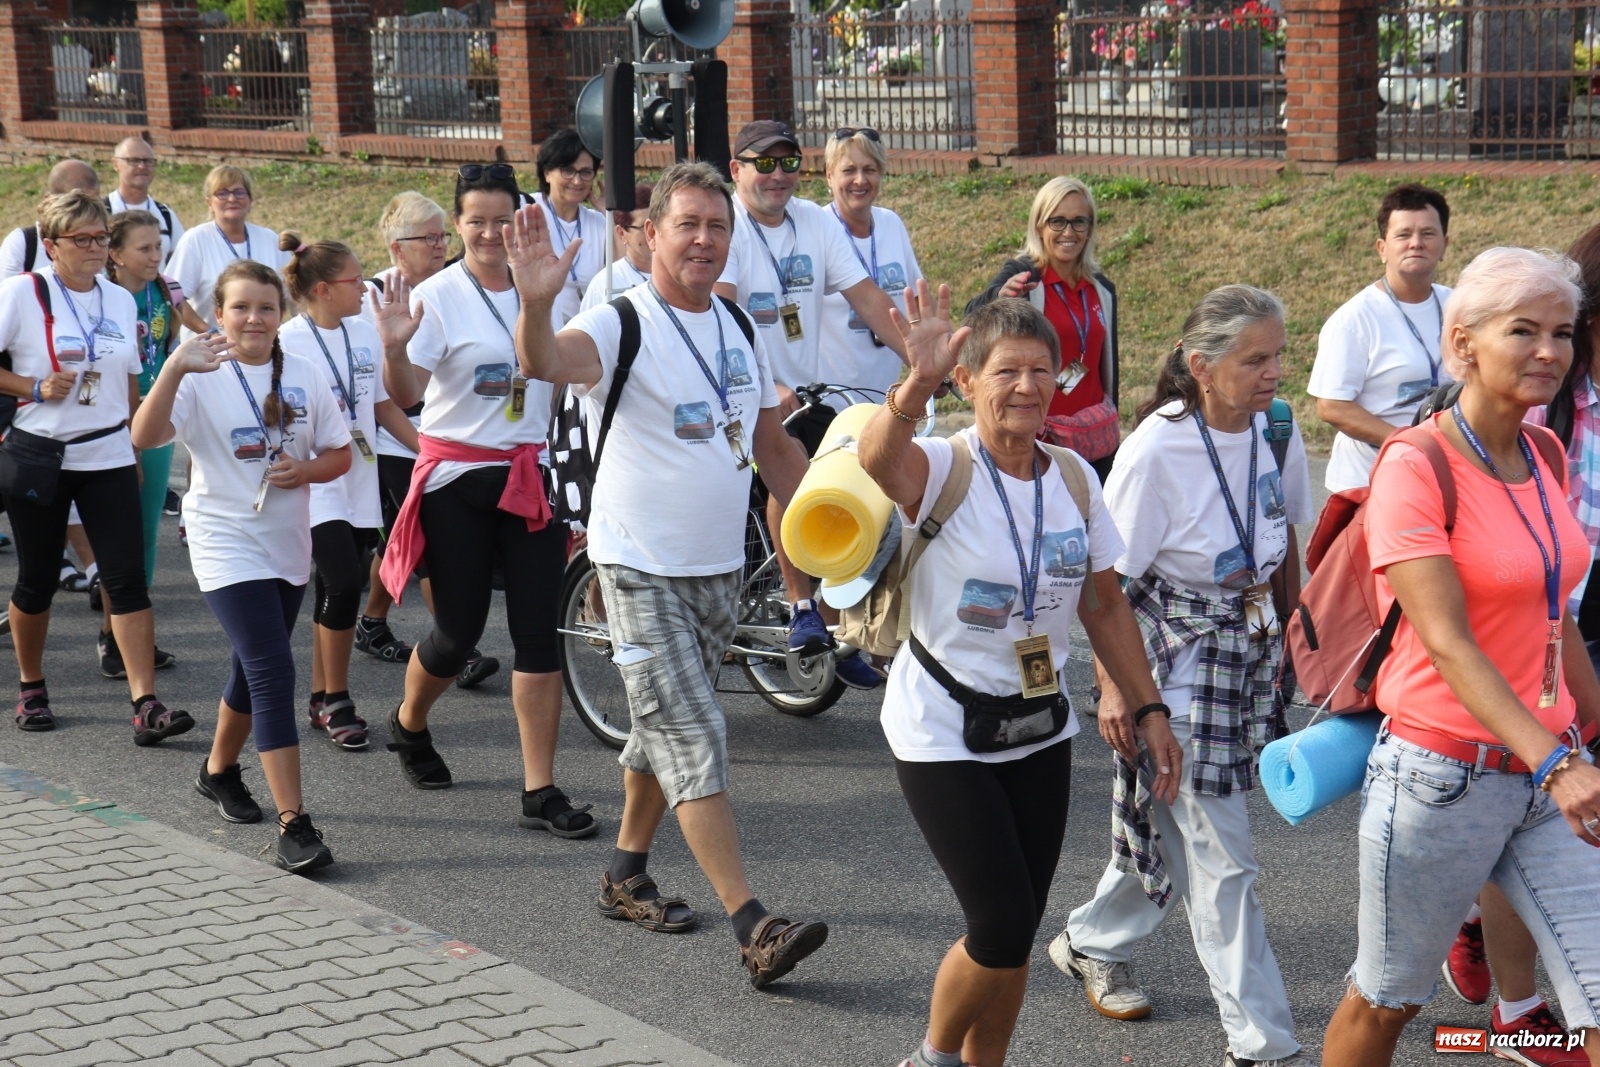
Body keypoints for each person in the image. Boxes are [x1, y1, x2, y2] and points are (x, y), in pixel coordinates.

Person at [512, 162, 829, 988]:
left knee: (660, 725)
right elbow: (547, 360)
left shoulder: (736, 325)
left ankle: (624, 870)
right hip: (637, 564)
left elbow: (773, 448)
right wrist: (538, 300)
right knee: (695, 732)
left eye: (716, 227)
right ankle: (753, 923)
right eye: (686, 224)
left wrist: (845, 528)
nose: (703, 239)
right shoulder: (621, 320)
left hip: (716, 568)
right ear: (651, 232)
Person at [856, 290, 1179, 1067]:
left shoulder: (1072, 477)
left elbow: (1104, 604)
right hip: (941, 726)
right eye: (1006, 371)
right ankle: (931, 1059)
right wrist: (913, 384)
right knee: (998, 924)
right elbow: (876, 459)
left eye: (1042, 369)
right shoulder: (941, 467)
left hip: (1038, 724)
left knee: (1020, 930)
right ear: (968, 381)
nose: (1027, 386)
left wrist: (1149, 706)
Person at [1322, 247, 1600, 1067]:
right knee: (1384, 1005)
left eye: (1562, 332)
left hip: (1548, 769)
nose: (1549, 350)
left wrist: (1587, 730)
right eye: (1523, 330)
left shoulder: (1544, 454)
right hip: (1442, 778)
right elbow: (1446, 641)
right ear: (1464, 342)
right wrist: (1556, 761)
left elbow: (1559, 619)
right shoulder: (1415, 463)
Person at [1048, 285, 1317, 1067]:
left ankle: (1090, 939)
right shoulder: (1158, 447)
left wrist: (1299, 633)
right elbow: (1109, 586)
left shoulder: (1277, 424)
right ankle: (1262, 1043)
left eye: (1277, 355)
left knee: (1178, 823)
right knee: (1223, 855)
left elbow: (1284, 534)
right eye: (1254, 358)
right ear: (1201, 366)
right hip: (1176, 660)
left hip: (1252, 649)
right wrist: (1117, 687)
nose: (1273, 373)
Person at [376, 163, 593, 842]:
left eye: (504, 218)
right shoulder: (437, 295)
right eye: (477, 220)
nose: (492, 232)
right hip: (457, 482)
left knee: (538, 636)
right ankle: (409, 722)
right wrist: (392, 348)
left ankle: (540, 787)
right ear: (458, 224)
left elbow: (565, 370)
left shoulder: (549, 285)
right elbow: (408, 389)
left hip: (527, 477)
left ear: (523, 218)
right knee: (459, 632)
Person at [131, 259, 351, 874]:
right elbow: (144, 438)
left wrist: (304, 471)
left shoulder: (304, 373)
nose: (254, 318)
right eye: (240, 308)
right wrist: (173, 366)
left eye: (266, 307)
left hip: (286, 543)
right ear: (219, 314)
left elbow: (338, 454)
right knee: (272, 670)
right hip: (223, 540)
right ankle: (295, 824)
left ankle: (217, 769)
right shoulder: (200, 374)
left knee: (250, 668)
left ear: (282, 315)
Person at [712, 118, 905, 680]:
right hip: (739, 388)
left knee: (864, 477)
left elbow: (867, 298)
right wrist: (765, 383)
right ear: (737, 170)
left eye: (788, 162)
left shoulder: (815, 223)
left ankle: (831, 621)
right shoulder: (729, 225)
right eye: (763, 163)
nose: (778, 176)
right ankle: (802, 610)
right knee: (791, 466)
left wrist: (919, 355)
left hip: (803, 389)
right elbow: (720, 318)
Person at [0, 191, 185, 743]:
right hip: (41, 454)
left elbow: (127, 376)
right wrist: (31, 386)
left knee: (126, 580)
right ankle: (31, 685)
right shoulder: (22, 293)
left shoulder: (120, 299)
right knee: (37, 581)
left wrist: (132, 447)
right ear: (51, 245)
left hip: (106, 452)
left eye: (101, 238)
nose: (95, 248)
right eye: (81, 239)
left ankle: (146, 703)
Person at [278, 233, 419, 752]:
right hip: (315, 479)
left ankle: (319, 695)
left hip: (360, 475)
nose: (366, 287)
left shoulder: (365, 332)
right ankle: (337, 698)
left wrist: (427, 450)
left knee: (336, 588)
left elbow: (383, 407)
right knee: (342, 581)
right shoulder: (287, 340)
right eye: (356, 280)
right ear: (321, 289)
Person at [352, 191, 490, 680]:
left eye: (441, 235)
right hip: (399, 443)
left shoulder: (458, 289)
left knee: (400, 540)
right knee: (427, 550)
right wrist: (423, 445)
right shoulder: (378, 302)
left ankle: (371, 620)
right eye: (427, 237)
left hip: (446, 442)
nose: (439, 245)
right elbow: (384, 397)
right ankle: (459, 647)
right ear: (396, 248)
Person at [100, 208, 203, 677]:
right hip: (108, 420)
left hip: (155, 419)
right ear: (115, 254)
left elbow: (207, 332)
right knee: (117, 532)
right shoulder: (100, 297)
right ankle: (110, 635)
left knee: (144, 531)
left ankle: (128, 636)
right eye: (144, 248)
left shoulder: (168, 290)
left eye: (158, 246)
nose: (154, 256)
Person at [966, 176, 1120, 481]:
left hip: (1093, 435)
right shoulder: (1024, 277)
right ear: (1039, 226)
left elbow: (1104, 362)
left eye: (1079, 222)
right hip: (1041, 436)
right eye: (1057, 221)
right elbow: (972, 318)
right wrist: (997, 298)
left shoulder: (1101, 287)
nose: (1068, 232)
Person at [1309, 183, 1453, 493]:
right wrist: (1407, 442)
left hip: (1445, 474)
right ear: (1382, 248)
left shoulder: (1461, 308)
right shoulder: (1354, 320)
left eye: (1428, 234)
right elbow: (1332, 406)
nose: (1416, 243)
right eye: (1403, 235)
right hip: (1369, 482)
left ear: (1445, 245)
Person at [817, 126, 922, 409]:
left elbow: (919, 301)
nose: (860, 180)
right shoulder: (818, 230)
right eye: (848, 170)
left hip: (888, 400)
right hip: (833, 404)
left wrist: (931, 364)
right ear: (829, 175)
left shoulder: (891, 224)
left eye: (870, 169)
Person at [167, 164, 291, 341]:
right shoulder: (196, 240)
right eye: (222, 193)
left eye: (239, 192)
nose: (232, 199)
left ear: (250, 200)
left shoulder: (269, 239)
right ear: (209, 202)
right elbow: (174, 297)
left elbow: (292, 295)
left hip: (262, 347)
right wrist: (210, 332)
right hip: (211, 350)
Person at [525, 132, 607, 328]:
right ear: (546, 173)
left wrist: (609, 214)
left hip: (584, 334)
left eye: (586, 172)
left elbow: (619, 275)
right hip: (539, 330)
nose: (577, 181)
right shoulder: (527, 208)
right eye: (568, 171)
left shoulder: (599, 222)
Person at [0, 160, 100, 279]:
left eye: (93, 204)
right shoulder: (23, 243)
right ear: (49, 199)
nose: (85, 212)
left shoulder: (104, 241)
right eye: (72, 204)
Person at [105, 136, 184, 266]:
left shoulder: (166, 216)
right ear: (115, 164)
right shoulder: (102, 212)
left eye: (148, 161)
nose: (142, 166)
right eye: (134, 160)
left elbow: (180, 263)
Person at [579, 183, 655, 312]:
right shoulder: (607, 283)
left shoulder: (681, 273)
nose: (653, 233)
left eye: (658, 224)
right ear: (621, 233)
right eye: (643, 228)